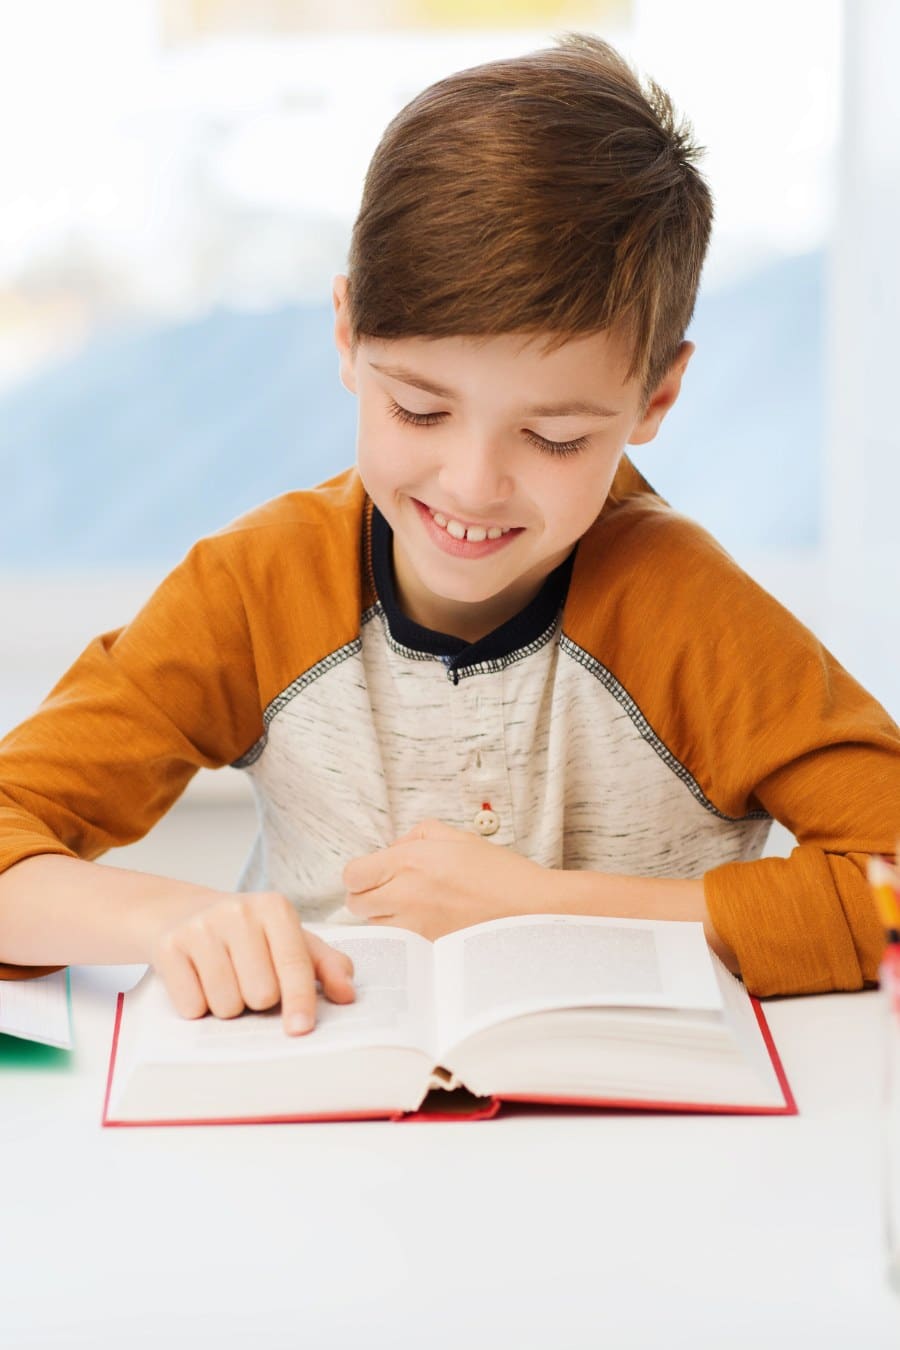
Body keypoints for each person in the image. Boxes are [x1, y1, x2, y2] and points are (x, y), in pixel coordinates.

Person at [1, 32, 898, 1037]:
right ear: (348, 335)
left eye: (554, 437)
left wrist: (549, 908)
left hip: (646, 1122)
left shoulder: (693, 619)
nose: (472, 484)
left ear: (657, 396)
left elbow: (891, 885)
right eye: (419, 411)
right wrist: (170, 919)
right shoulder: (258, 591)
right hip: (316, 1112)